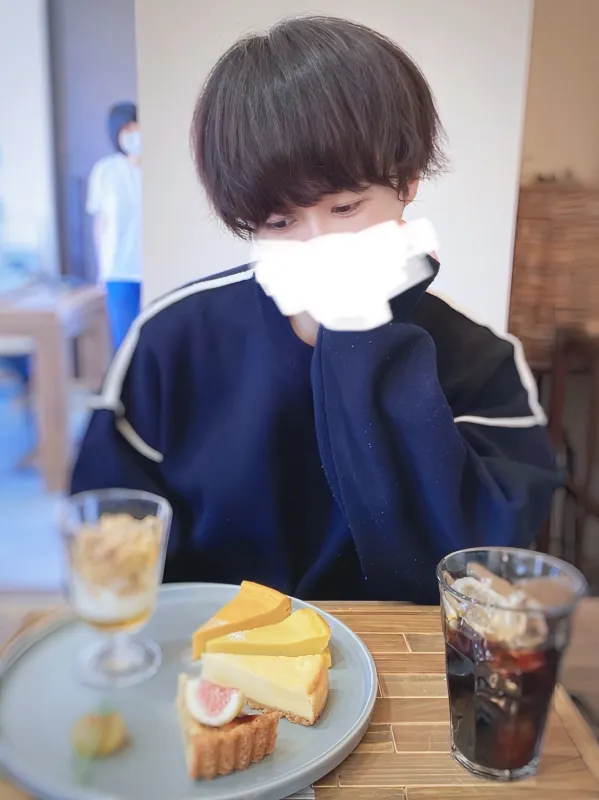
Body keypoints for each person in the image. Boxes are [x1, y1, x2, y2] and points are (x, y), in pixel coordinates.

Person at [71, 17, 560, 603]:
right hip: (210, 644)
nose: (317, 241)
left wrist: (365, 336)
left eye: (345, 208)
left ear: (406, 183)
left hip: (397, 651)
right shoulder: (172, 341)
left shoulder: (480, 362)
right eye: (281, 222)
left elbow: (475, 572)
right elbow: (111, 545)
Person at [87, 102, 142, 351]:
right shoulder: (105, 171)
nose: (133, 133)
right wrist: (102, 269)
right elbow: (101, 224)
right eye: (126, 128)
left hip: (152, 268)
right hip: (119, 271)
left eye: (135, 126)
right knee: (124, 344)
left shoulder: (157, 169)